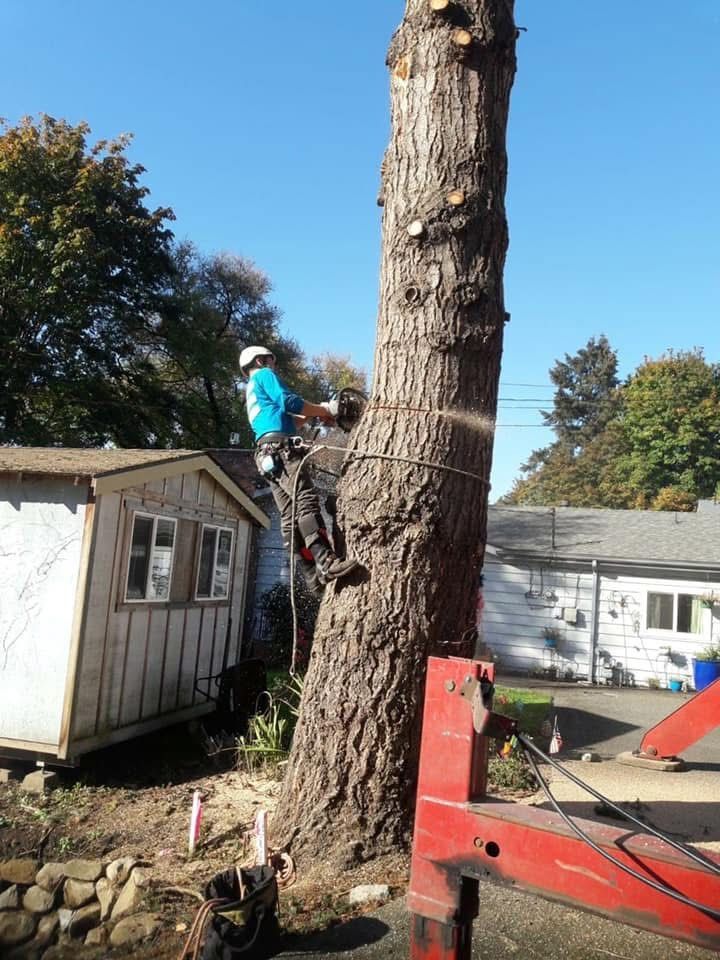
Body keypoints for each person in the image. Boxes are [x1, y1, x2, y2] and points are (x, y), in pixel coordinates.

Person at [240, 345, 358, 595]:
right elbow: (289, 401)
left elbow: (290, 420)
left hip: (266, 454)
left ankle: (311, 575)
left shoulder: (251, 390)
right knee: (305, 500)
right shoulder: (263, 375)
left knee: (289, 515)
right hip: (281, 450)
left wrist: (316, 414)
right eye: (271, 361)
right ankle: (325, 560)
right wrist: (326, 409)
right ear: (260, 361)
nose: (273, 366)